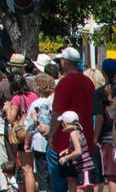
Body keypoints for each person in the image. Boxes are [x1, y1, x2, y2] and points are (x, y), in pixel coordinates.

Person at [49, 48, 96, 192]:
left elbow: (58, 110)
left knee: (68, 180)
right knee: (85, 178)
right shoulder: (88, 82)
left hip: (65, 139)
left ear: (65, 62)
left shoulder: (64, 83)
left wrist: (51, 135)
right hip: (85, 136)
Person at [92, 58, 116, 192]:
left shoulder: (100, 92)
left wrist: (95, 138)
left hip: (109, 137)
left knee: (112, 176)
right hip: (111, 136)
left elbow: (102, 116)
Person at [56, 111, 96, 191]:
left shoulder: (73, 134)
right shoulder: (78, 132)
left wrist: (65, 158)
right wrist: (68, 150)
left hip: (85, 168)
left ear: (65, 123)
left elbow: (78, 151)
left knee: (80, 190)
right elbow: (79, 146)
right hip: (86, 168)